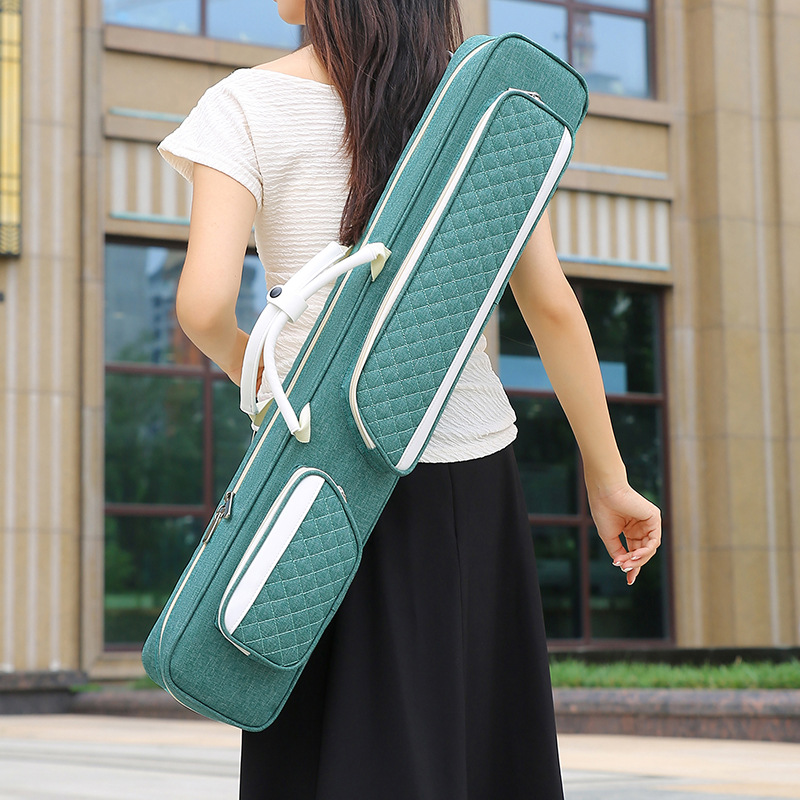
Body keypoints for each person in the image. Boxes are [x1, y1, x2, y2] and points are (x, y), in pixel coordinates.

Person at [156, 0, 662, 797]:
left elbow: (204, 307)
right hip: (471, 471)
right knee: (478, 746)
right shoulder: (480, 107)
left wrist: (280, 399)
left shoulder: (245, 103)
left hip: (320, 474)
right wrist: (608, 478)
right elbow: (552, 307)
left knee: (338, 753)